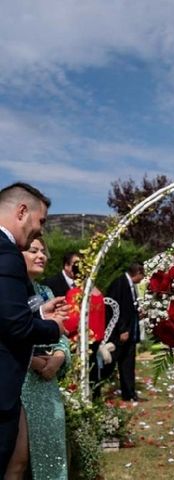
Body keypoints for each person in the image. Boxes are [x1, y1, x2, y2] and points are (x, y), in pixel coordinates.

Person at [0, 182, 67, 475]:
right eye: (40, 221)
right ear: (22, 211)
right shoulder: (6, 252)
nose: (40, 230)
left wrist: (39, 311)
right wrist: (53, 328)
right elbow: (15, 326)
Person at [105, 263, 145, 402]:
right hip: (120, 333)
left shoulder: (131, 286)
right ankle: (96, 385)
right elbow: (114, 307)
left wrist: (137, 313)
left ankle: (129, 393)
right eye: (142, 274)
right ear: (138, 273)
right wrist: (122, 329)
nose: (142, 278)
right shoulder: (120, 283)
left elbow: (128, 307)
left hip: (131, 331)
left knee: (128, 363)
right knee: (110, 362)